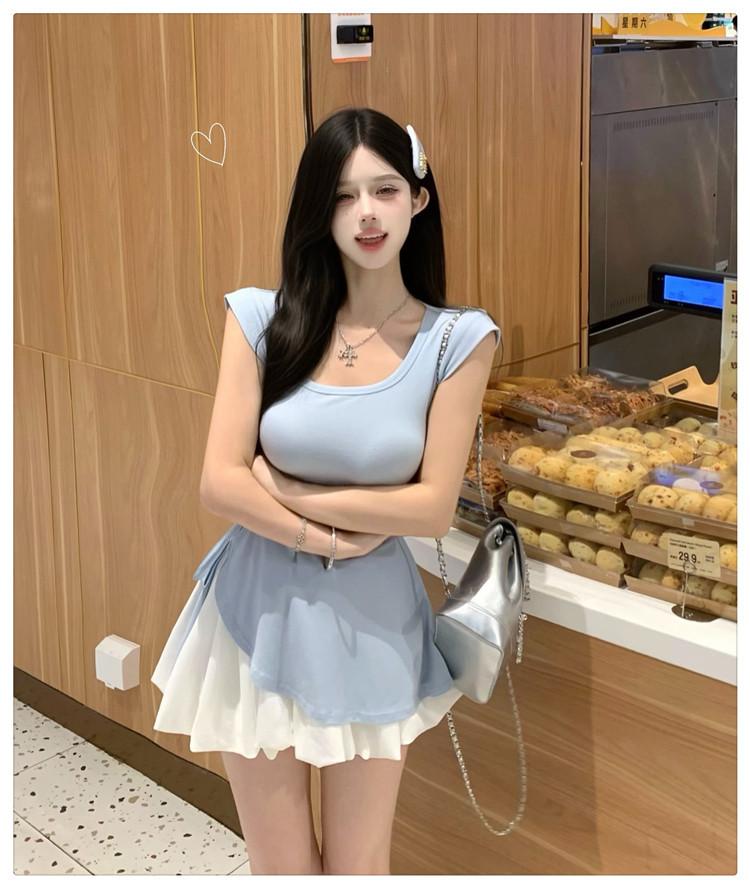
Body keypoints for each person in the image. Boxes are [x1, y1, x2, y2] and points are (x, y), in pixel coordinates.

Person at [150, 107, 501, 875]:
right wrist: (328, 538)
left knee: (358, 865)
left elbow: (430, 507)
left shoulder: (458, 339)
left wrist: (284, 489)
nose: (366, 213)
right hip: (255, 612)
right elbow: (219, 482)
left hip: (373, 624)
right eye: (343, 196)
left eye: (385, 189)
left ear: (419, 198)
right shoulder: (261, 318)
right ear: (319, 209)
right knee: (280, 865)